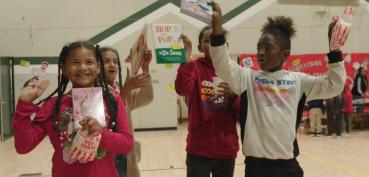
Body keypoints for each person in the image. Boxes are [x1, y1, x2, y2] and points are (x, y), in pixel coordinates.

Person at [208, 1, 346, 176]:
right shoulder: (248, 78)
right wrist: (218, 30)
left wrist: (335, 50)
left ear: (285, 54)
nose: (260, 52)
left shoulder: (299, 81)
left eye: (267, 48)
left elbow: (333, 86)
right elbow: (222, 64)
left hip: (288, 167)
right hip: (257, 167)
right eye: (259, 48)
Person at [13, 41, 133, 177]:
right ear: (63, 68)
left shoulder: (113, 100)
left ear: (98, 67)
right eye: (75, 62)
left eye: (89, 62)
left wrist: (101, 134)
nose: (82, 67)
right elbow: (24, 146)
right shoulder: (53, 105)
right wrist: (24, 105)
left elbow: (127, 145)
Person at [175, 27, 240, 177]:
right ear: (199, 47)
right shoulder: (193, 66)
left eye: (216, 40)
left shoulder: (235, 71)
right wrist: (184, 58)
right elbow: (182, 89)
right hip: (199, 148)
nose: (211, 44)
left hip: (226, 149)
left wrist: (233, 96)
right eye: (206, 40)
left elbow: (242, 113)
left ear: (225, 46)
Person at [101, 47, 153, 177]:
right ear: (96, 66)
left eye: (115, 61)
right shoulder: (93, 91)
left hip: (124, 152)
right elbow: (110, 116)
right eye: (106, 61)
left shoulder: (119, 87)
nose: (112, 64)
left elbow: (146, 98)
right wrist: (128, 88)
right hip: (105, 154)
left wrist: (145, 68)